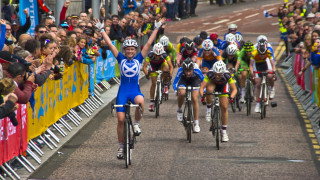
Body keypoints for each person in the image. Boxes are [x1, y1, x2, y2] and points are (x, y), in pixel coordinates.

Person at [99, 18, 166, 159]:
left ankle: (136, 124)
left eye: (132, 49)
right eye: (128, 49)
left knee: (141, 102)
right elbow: (111, 44)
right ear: (125, 50)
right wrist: (101, 30)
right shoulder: (120, 58)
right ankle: (121, 147)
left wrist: (156, 28)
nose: (129, 51)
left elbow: (148, 43)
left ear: (135, 50)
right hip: (122, 92)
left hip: (134, 90)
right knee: (121, 120)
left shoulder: (139, 58)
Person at [199, 61, 237, 142]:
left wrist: (231, 97)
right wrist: (202, 96)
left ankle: (224, 132)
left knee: (224, 106)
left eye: (219, 75)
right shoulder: (210, 74)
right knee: (209, 89)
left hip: (223, 86)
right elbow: (202, 87)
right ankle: (208, 110)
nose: (217, 76)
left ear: (223, 73)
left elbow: (234, 89)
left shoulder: (227, 75)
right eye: (215, 74)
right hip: (213, 84)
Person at [173, 58, 204, 133]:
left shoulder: (196, 69)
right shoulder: (180, 70)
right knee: (182, 93)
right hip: (183, 81)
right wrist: (176, 90)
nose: (188, 73)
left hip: (194, 81)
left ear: (193, 69)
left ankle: (196, 123)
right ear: (183, 69)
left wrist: (204, 91)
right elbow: (175, 82)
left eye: (190, 71)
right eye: (186, 71)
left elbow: (204, 81)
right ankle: (179, 109)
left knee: (194, 98)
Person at [142, 43, 172, 111]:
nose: (158, 56)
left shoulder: (164, 54)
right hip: (153, 67)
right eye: (156, 55)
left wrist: (169, 74)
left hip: (162, 65)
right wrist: (147, 74)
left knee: (166, 69)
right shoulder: (150, 55)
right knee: (153, 83)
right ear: (154, 53)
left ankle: (165, 85)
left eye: (159, 55)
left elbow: (171, 66)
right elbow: (144, 67)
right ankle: (152, 102)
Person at [250, 39, 276, 113]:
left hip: (265, 64)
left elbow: (272, 63)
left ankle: (272, 88)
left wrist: (273, 70)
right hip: (257, 65)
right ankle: (258, 103)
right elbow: (251, 65)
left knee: (270, 76)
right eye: (260, 54)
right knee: (258, 84)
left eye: (263, 54)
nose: (262, 55)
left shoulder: (268, 52)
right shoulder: (254, 53)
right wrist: (252, 73)